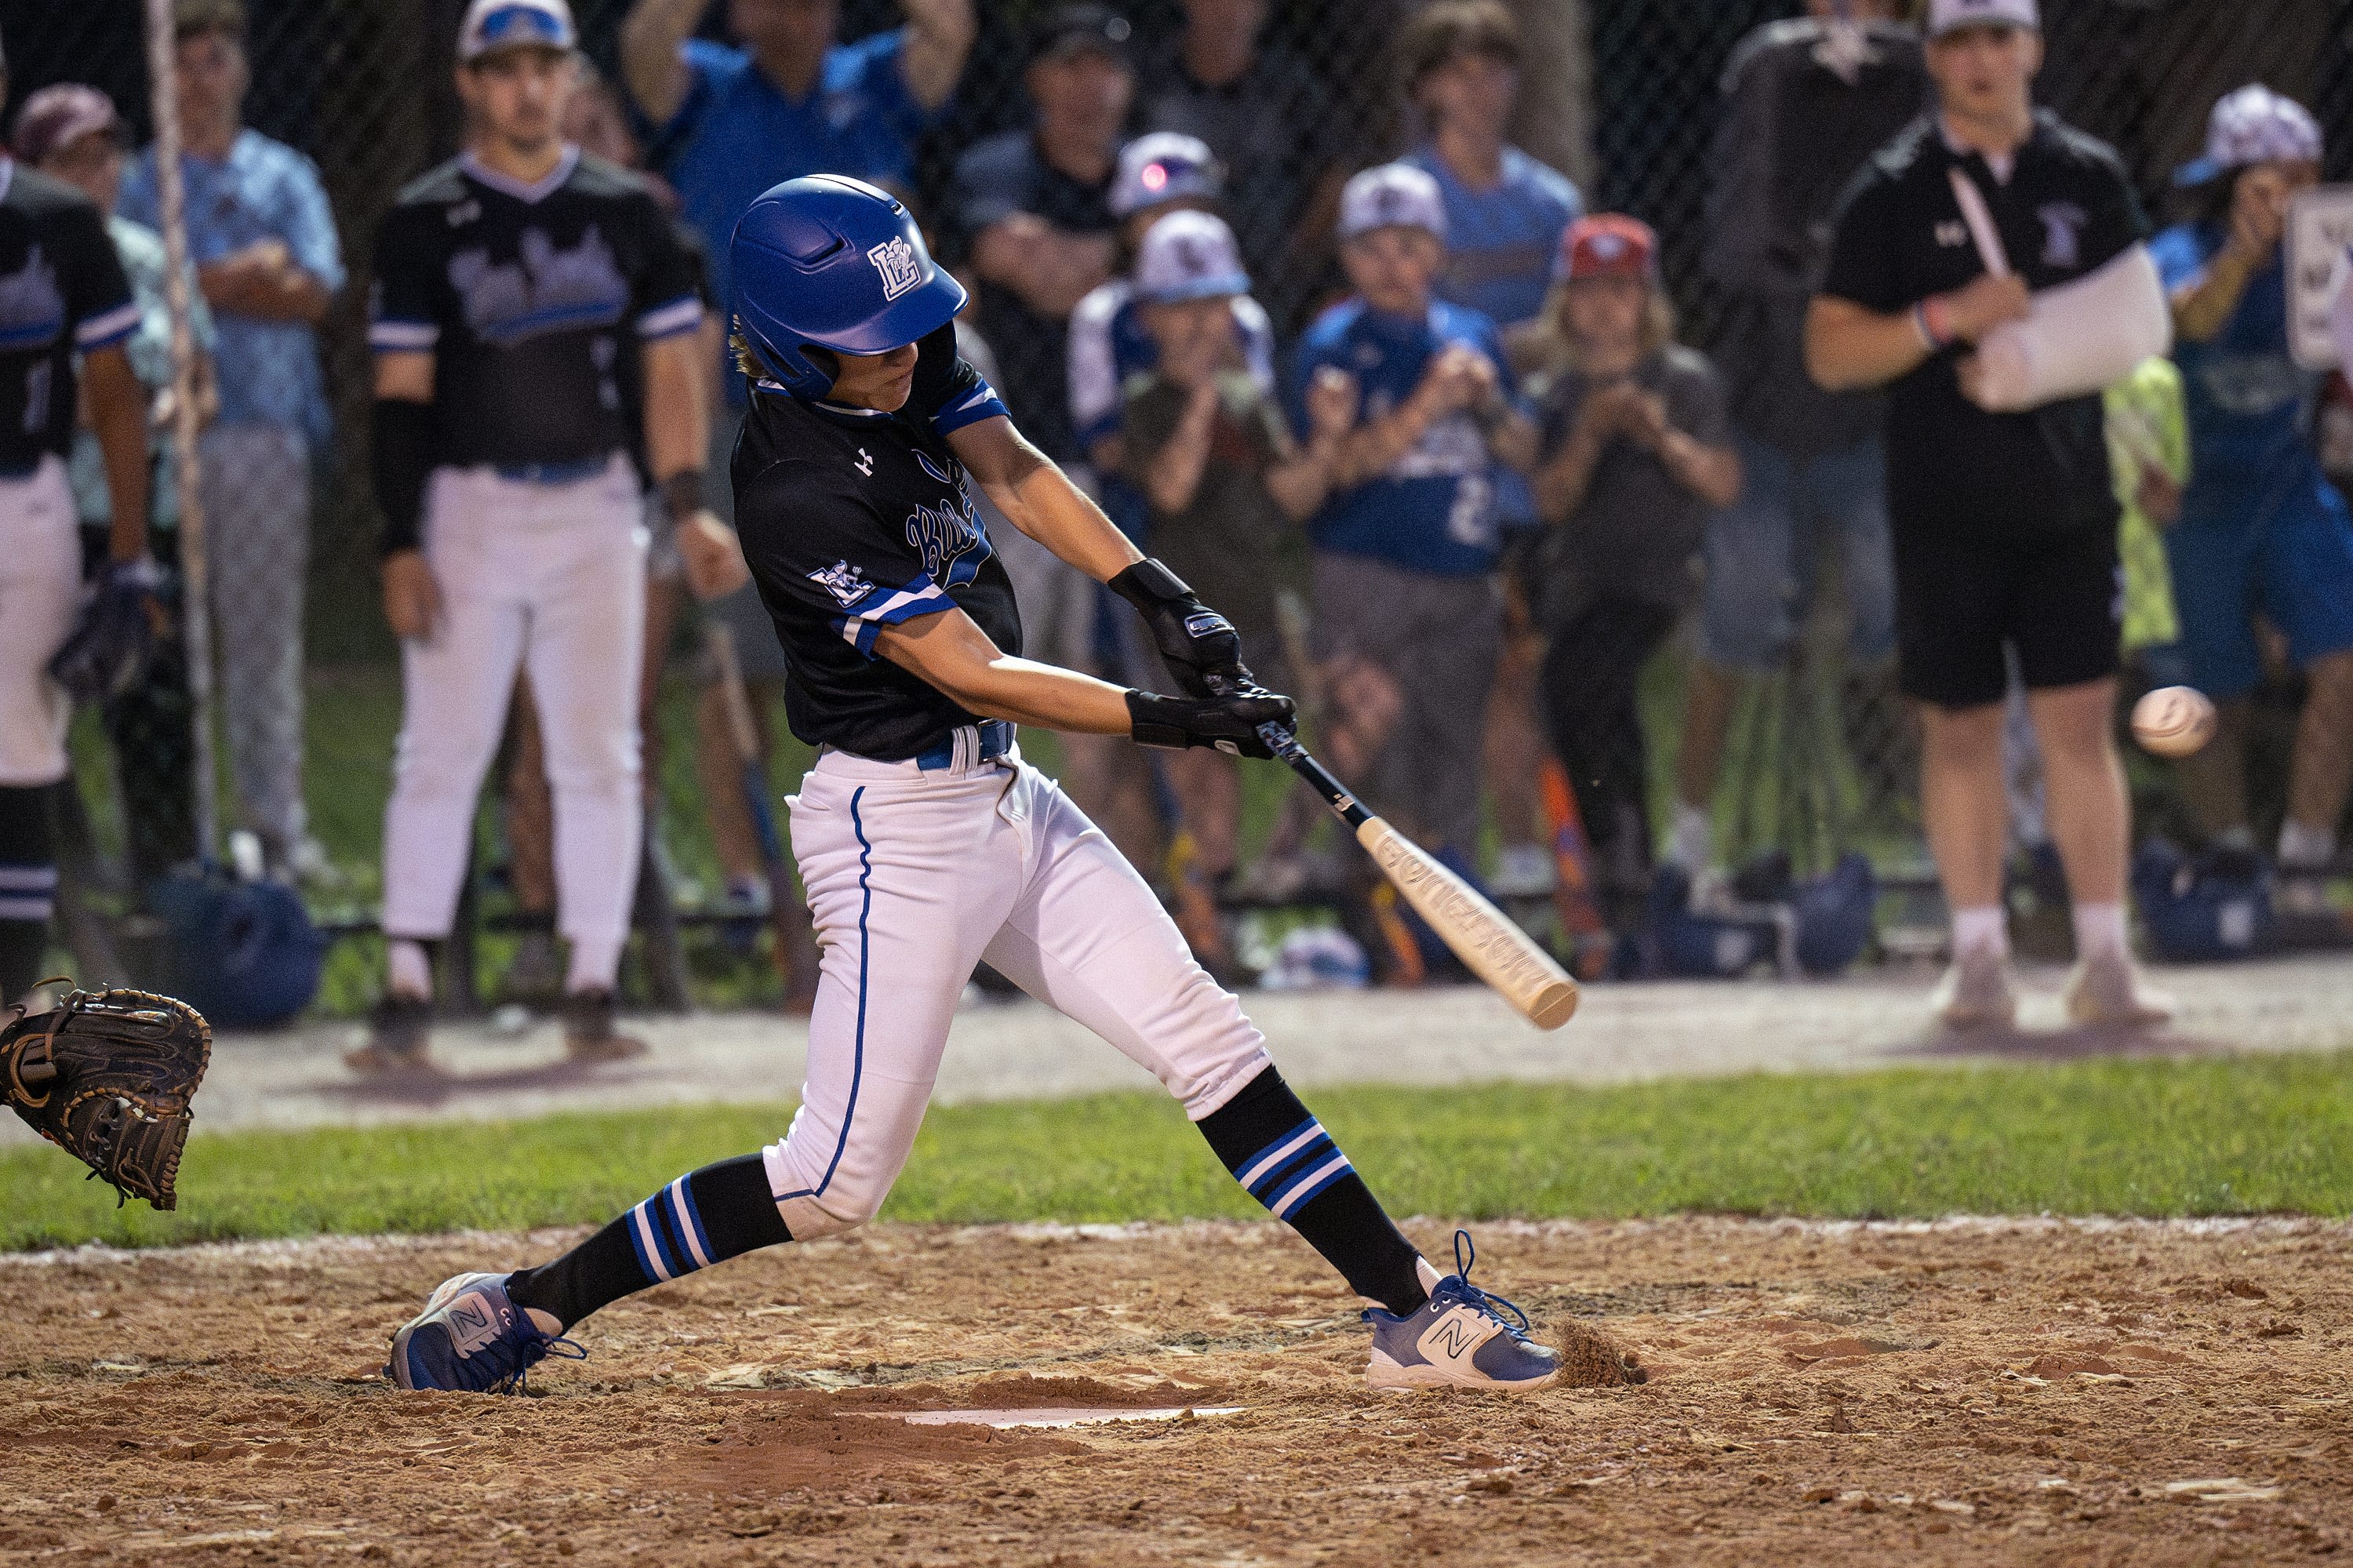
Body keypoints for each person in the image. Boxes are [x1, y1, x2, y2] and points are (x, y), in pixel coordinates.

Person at [381, 173, 1564, 1398]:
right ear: (789, 349)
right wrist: (1175, 718)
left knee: (1209, 1040)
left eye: (905, 330)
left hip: (1004, 798)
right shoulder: (792, 489)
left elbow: (1010, 467)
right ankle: (520, 1306)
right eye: (864, 345)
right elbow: (972, 668)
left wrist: (1158, 595)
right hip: (893, 829)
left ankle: (1417, 1310)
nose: (899, 357)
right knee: (833, 1181)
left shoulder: (901, 345)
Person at [353, 0, 741, 1071]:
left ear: (573, 78)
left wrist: (684, 498)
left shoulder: (630, 213)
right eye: (504, 67)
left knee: (599, 754)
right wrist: (399, 538)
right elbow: (400, 392)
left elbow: (671, 373)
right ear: (471, 84)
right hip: (468, 508)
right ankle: (404, 985)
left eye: (546, 66)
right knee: (441, 747)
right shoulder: (424, 219)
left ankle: (591, 981)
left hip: (595, 504)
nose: (527, 86)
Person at [1808, 0, 2173, 1028]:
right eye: (1959, 41)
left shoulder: (2088, 178)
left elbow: (2137, 323)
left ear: (2033, 50)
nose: (1980, 61)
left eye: (1998, 38)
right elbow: (1831, 351)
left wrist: (2038, 353)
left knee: (2079, 722)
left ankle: (2105, 954)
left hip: (2069, 499)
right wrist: (1943, 319)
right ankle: (1978, 960)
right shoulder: (1891, 190)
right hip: (1942, 501)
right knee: (1959, 728)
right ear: (1933, 58)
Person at [1673, 0, 1926, 878]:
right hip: (1765, 420)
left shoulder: (1915, 76)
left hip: (1867, 424)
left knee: (1895, 605)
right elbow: (1735, 252)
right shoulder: (1770, 70)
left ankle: (1930, 841)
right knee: (1738, 617)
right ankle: (1690, 844)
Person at [118, 0, 344, 884]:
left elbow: (314, 288)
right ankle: (180, 838)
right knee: (164, 641)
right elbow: (144, 297)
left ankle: (276, 831)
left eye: (216, 60)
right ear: (163, 77)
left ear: (240, 71)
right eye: (185, 63)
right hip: (164, 441)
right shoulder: (142, 179)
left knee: (261, 643)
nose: (201, 78)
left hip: (263, 433)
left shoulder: (283, 175)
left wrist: (194, 282)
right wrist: (244, 272)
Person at [1292, 162, 1537, 966]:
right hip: (1367, 569)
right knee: (1368, 740)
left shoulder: (1471, 333)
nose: (1393, 265)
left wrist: (1489, 403)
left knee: (1450, 744)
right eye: (1373, 249)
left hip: (1461, 572)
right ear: (1348, 258)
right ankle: (1357, 917)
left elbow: (1521, 450)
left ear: (1437, 250)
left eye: (1409, 246)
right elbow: (1341, 469)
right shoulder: (1337, 342)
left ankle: (1449, 924)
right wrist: (1428, 403)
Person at [1118, 210, 1349, 964]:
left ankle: (1278, 869)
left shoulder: (1251, 398)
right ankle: (1209, 927)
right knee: (1205, 773)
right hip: (1183, 620)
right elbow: (1173, 488)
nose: (1199, 324)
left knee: (1352, 720)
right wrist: (1206, 398)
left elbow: (1294, 497)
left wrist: (1329, 436)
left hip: (1256, 608)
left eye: (1213, 305)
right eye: (1182, 307)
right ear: (1152, 318)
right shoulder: (1149, 398)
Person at [2153, 85, 2353, 909]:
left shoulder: (2328, 263)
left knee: (2343, 666)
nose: (2289, 197)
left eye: (2302, 178)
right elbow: (2186, 322)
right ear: (2230, 181)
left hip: (2287, 487)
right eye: (2271, 179)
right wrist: (2243, 252)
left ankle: (2304, 866)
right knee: (2211, 699)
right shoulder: (2178, 250)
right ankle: (2234, 861)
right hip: (2194, 502)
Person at [18, 84, 216, 887]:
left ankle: (162, 888)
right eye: (72, 156)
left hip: (149, 515)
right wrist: (115, 409)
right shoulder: (23, 259)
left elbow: (201, 378)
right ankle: (67, 885)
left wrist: (177, 406)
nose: (95, 171)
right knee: (37, 709)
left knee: (157, 708)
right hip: (61, 519)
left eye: (105, 153)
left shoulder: (150, 256)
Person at [1523, 216, 1739, 933]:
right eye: (1589, 290)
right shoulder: (1560, 393)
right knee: (1582, 694)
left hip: (1663, 578)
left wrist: (1661, 438)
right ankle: (1612, 856)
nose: (1606, 307)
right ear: (1566, 302)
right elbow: (1550, 499)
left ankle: (1626, 851)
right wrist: (1589, 432)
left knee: (1587, 678)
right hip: (1584, 580)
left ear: (1647, 299)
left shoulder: (1684, 380)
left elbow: (1722, 482)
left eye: (1622, 290)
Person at [0, 31, 155, 1006]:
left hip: (25, 501)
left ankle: (9, 1007)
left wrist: (130, 563)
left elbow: (114, 397)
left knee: (19, 752)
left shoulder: (57, 222)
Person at [617, 0, 975, 338]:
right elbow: (643, 43)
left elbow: (950, 30)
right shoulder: (710, 86)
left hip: (864, 363)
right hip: (730, 364)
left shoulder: (874, 80)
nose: (791, 15)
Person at [947, 5, 1133, 465]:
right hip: (1012, 436)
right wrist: (1131, 254)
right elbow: (1045, 277)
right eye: (1072, 66)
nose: (1092, 87)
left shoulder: (1150, 166)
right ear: (1036, 79)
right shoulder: (994, 169)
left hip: (1136, 442)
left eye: (1107, 67)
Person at [1133, 0, 1353, 328]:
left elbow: (1335, 175)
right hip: (1173, 274)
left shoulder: (1290, 84)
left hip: (1277, 273)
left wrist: (1293, 258)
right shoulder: (1151, 81)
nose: (1228, 9)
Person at [1398, 1, 1583, 339]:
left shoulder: (1554, 201)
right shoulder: (1402, 200)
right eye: (1460, 72)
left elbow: (1573, 319)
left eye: (1495, 69)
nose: (1480, 88)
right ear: (1425, 88)